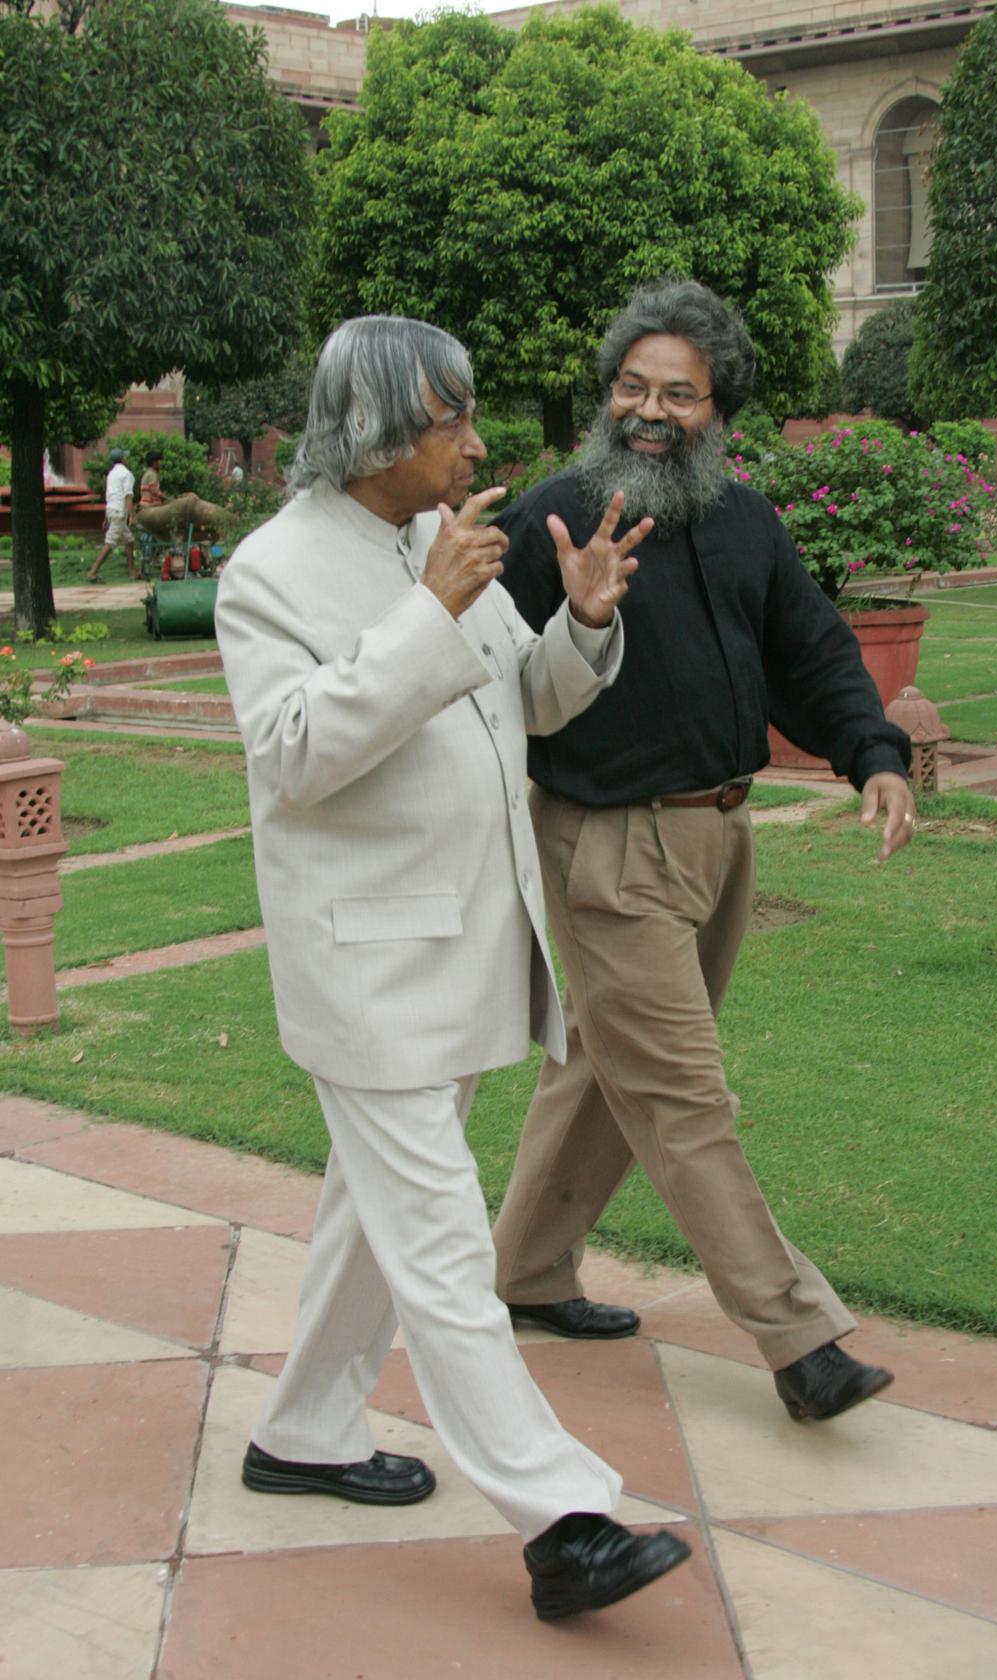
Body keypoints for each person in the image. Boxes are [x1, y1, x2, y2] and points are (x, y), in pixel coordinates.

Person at [214, 314, 690, 1622]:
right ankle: (563, 1520)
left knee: (377, 1220)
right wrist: (427, 617)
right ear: (374, 429)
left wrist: (581, 627)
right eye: (449, 421)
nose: (475, 445)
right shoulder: (273, 573)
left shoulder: (437, 543)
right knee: (439, 1247)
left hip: (464, 948)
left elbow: (512, 705)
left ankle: (305, 1431)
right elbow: (300, 752)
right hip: (366, 972)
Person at [490, 278, 916, 1426]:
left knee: (602, 1065)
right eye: (632, 385)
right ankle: (800, 1339)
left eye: (678, 392)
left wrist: (874, 753)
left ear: (716, 407)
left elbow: (815, 652)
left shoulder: (743, 520)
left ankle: (524, 1272)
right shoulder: (551, 522)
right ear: (607, 393)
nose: (650, 409)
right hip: (606, 847)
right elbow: (482, 687)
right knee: (683, 1096)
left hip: (722, 836)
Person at [87, 447, 136, 581]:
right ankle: (93, 571)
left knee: (129, 541)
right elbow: (128, 496)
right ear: (122, 459)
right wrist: (132, 515)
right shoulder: (127, 474)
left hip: (111, 510)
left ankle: (133, 572)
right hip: (120, 513)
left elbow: (109, 496)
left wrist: (106, 517)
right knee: (110, 543)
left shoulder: (111, 474)